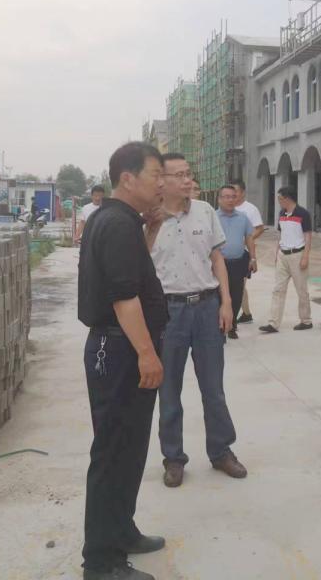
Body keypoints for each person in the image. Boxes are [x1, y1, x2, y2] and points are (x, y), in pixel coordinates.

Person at [78, 142, 168, 580]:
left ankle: (121, 531)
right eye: (156, 174)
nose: (162, 183)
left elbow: (132, 273)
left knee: (130, 450)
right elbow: (123, 297)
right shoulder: (115, 224)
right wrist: (147, 354)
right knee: (113, 454)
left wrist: (151, 230)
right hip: (118, 352)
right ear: (128, 179)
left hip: (122, 348)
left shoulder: (122, 221)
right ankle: (101, 562)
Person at [145, 155, 247, 488]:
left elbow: (217, 258)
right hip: (168, 312)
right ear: (162, 180)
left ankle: (221, 451)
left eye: (189, 174)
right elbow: (141, 264)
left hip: (206, 307)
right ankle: (173, 458)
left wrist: (226, 302)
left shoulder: (205, 211)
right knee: (169, 390)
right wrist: (150, 227)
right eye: (180, 175)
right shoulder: (149, 218)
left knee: (213, 389)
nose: (188, 180)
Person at [259, 185, 313, 334]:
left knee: (301, 290)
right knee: (278, 289)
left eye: (280, 198)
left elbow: (308, 236)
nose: (278, 201)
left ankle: (306, 320)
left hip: (297, 255)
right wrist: (277, 252)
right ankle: (273, 323)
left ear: (288, 199)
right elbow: (281, 234)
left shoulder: (303, 214)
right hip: (283, 255)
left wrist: (305, 256)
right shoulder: (282, 213)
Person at [215, 185, 256, 340]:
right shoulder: (212, 217)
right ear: (219, 199)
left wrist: (253, 258)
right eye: (226, 197)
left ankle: (231, 326)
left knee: (237, 295)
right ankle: (219, 327)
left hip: (238, 263)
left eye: (233, 197)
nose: (230, 200)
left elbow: (249, 238)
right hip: (219, 264)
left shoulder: (243, 217)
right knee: (219, 296)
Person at [231, 180, 264, 324]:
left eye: (235, 191)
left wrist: (245, 240)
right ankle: (246, 313)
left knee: (238, 285)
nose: (233, 194)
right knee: (235, 285)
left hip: (243, 253)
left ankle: (233, 318)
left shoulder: (250, 209)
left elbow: (260, 228)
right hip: (226, 253)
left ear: (243, 192)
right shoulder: (227, 207)